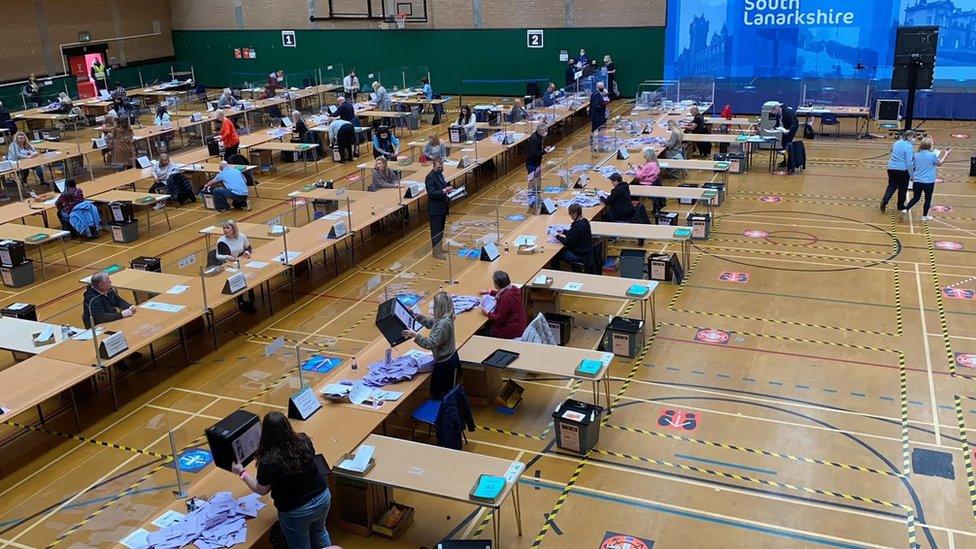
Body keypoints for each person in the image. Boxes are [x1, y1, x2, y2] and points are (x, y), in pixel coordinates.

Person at [232, 412, 333, 549]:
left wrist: (242, 473)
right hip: (322, 497)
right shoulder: (304, 441)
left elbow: (261, 490)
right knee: (320, 533)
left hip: (297, 511)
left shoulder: (268, 460)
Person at [401, 291, 459, 400]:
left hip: (445, 363)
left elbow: (430, 343)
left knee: (438, 393)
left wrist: (415, 335)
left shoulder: (443, 324)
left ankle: (444, 413)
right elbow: (430, 323)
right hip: (447, 358)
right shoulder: (444, 317)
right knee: (440, 390)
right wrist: (417, 316)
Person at [214, 219, 257, 313]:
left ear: (234, 228)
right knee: (237, 278)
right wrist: (227, 257)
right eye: (224, 228)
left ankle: (251, 298)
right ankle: (240, 300)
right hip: (229, 266)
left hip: (242, 262)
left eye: (227, 228)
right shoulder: (221, 241)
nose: (225, 230)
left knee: (250, 276)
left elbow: (248, 247)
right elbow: (218, 255)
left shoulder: (242, 236)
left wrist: (247, 252)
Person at [904, 137, 949, 221]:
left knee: (916, 197)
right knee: (928, 199)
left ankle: (906, 209)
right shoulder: (932, 155)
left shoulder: (916, 155)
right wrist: (946, 155)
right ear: (929, 145)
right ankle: (925, 216)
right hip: (929, 182)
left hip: (917, 180)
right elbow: (940, 163)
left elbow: (913, 165)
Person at [479, 270, 527, 339]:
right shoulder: (513, 289)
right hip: (519, 326)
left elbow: (499, 319)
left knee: (481, 332)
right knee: (488, 324)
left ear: (496, 284)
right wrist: (489, 292)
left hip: (510, 331)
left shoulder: (506, 298)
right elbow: (502, 293)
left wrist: (487, 313)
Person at [424, 157, 453, 259]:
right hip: (435, 209)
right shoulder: (430, 177)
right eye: (438, 167)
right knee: (436, 232)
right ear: (433, 166)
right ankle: (436, 253)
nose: (440, 169)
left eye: (441, 167)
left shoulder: (440, 175)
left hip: (442, 207)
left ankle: (439, 248)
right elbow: (431, 194)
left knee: (441, 230)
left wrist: (447, 191)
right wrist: (445, 190)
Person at [881, 130, 915, 213]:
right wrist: (911, 174)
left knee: (892, 186)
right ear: (908, 137)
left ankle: (885, 199)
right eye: (913, 137)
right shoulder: (908, 146)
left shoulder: (896, 143)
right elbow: (909, 162)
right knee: (903, 188)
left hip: (891, 168)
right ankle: (900, 205)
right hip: (902, 170)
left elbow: (891, 152)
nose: (914, 139)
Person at [526, 124, 554, 212]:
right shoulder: (534, 139)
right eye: (545, 131)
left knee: (537, 179)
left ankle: (536, 197)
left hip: (536, 163)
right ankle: (531, 200)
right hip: (531, 163)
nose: (546, 133)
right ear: (541, 131)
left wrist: (544, 150)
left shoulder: (539, 137)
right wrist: (545, 151)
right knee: (533, 180)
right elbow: (534, 153)